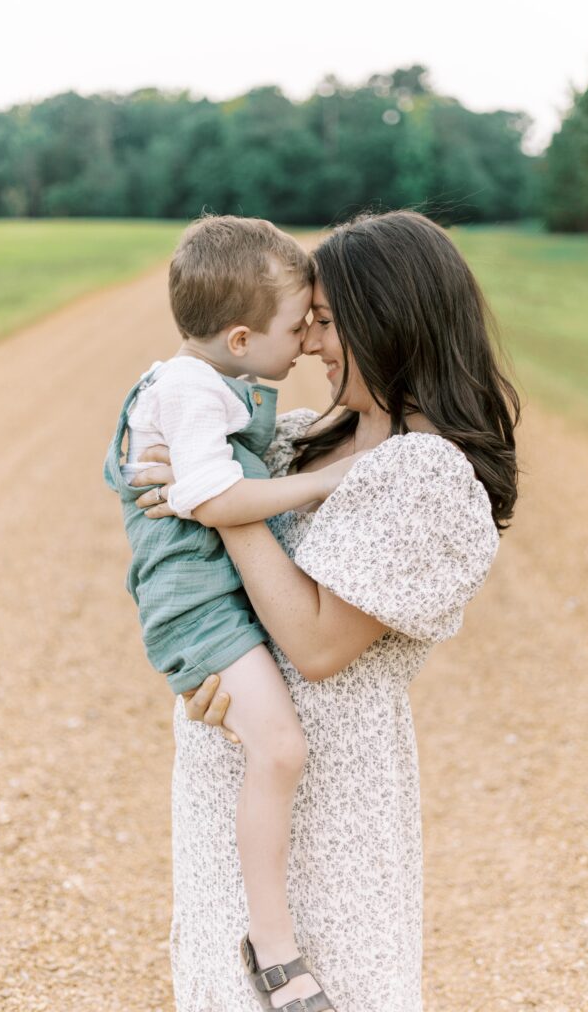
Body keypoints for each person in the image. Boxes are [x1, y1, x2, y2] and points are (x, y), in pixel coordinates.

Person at [133, 210, 520, 1012]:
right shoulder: (299, 440)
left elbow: (313, 645)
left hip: (332, 808)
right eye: (307, 321)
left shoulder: (426, 474)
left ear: (390, 321)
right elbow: (174, 533)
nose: (308, 343)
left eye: (327, 320)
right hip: (229, 770)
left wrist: (217, 502)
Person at [104, 215, 362, 1012]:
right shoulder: (186, 390)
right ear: (244, 338)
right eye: (297, 327)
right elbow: (215, 499)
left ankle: (270, 936)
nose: (305, 345)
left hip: (210, 594)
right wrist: (328, 481)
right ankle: (274, 947)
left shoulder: (208, 383)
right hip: (197, 603)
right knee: (279, 749)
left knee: (276, 744)